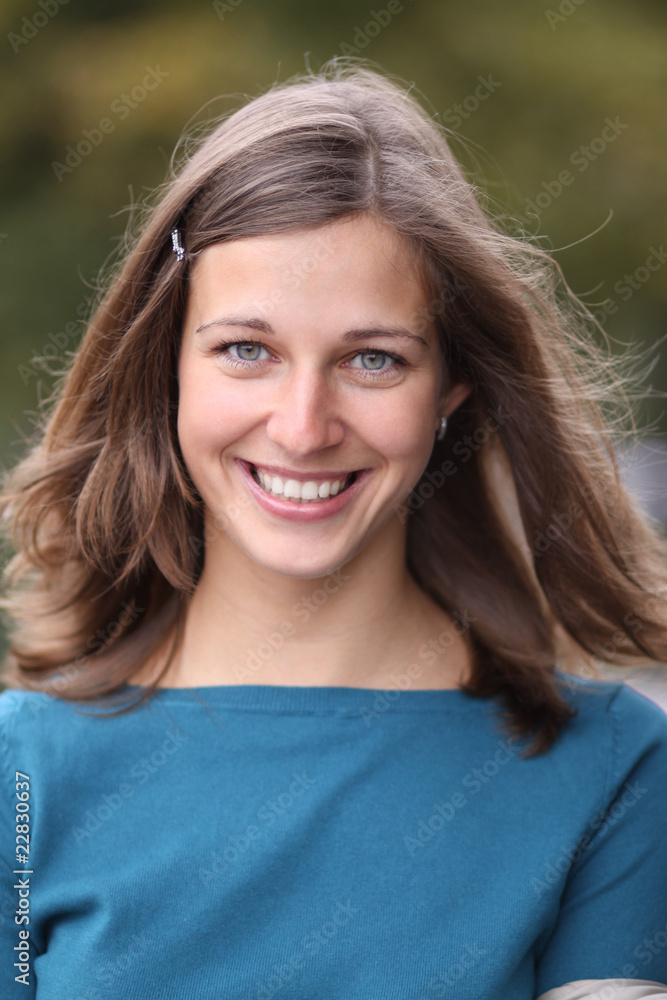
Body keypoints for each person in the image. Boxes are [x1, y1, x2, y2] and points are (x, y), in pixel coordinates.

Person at [0, 57, 666, 1000]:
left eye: (372, 359)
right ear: (165, 371)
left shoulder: (610, 774)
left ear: (452, 387)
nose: (304, 426)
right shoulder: (20, 775)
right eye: (245, 350)